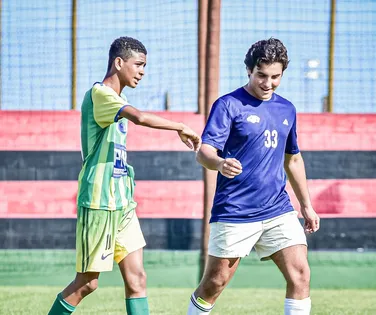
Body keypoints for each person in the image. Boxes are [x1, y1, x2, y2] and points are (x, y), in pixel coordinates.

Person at [47, 36, 201, 315]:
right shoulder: (100, 94)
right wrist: (180, 126)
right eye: (138, 65)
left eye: (144, 66)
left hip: (123, 205)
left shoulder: (121, 99)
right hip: (99, 203)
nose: (142, 72)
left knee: (137, 279)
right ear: (119, 63)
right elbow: (140, 118)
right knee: (87, 284)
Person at [187, 38, 320, 315]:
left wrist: (306, 205)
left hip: (277, 208)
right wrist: (220, 163)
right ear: (249, 70)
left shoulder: (287, 109)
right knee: (215, 282)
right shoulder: (228, 105)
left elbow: (292, 158)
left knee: (300, 275)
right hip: (235, 210)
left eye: (275, 77)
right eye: (261, 75)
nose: (268, 83)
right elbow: (204, 152)